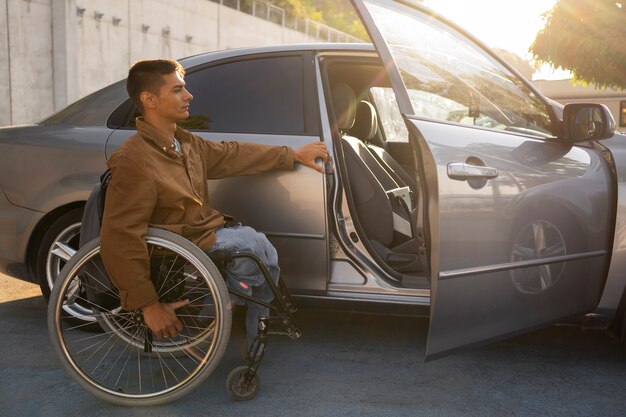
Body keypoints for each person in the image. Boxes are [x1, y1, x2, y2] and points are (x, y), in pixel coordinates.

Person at [99, 59, 327, 350]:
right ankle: (226, 306)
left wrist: (291, 155)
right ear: (149, 99)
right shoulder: (134, 159)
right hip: (182, 239)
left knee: (262, 248)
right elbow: (120, 236)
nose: (189, 96)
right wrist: (148, 305)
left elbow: (232, 155)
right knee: (250, 246)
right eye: (178, 90)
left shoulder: (184, 143)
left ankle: (254, 324)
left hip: (202, 232)